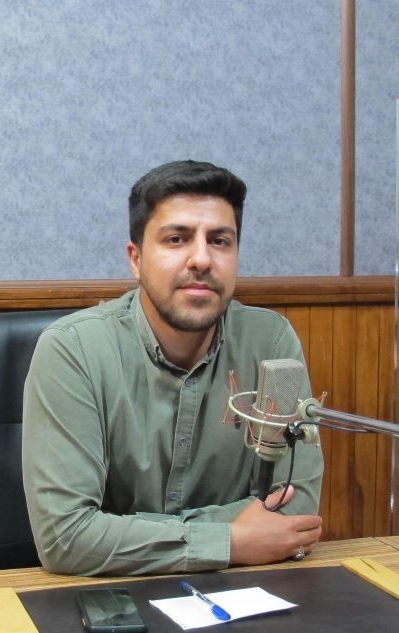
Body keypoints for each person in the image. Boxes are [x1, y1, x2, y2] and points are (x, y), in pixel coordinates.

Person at [22, 160, 323, 576]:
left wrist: (124, 534)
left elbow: (296, 504)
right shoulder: (74, 350)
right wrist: (233, 541)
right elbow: (66, 537)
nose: (201, 259)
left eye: (220, 241)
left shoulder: (271, 343)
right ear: (136, 259)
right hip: (106, 596)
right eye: (177, 239)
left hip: (240, 593)